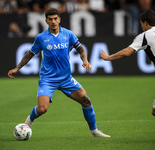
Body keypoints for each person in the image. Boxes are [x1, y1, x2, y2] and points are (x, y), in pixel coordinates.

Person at [8, 8, 110, 137]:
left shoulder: (68, 34)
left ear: (59, 20)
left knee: (86, 101)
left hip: (66, 78)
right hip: (48, 79)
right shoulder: (41, 38)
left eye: (55, 18)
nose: (53, 21)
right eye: (50, 19)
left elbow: (81, 49)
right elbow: (30, 53)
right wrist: (17, 68)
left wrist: (85, 60)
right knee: (42, 109)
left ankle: (94, 131)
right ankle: (30, 119)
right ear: (46, 21)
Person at [100, 9, 155, 124]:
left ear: (145, 23)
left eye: (141, 24)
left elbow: (126, 52)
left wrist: (108, 58)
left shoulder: (146, 35)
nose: (141, 26)